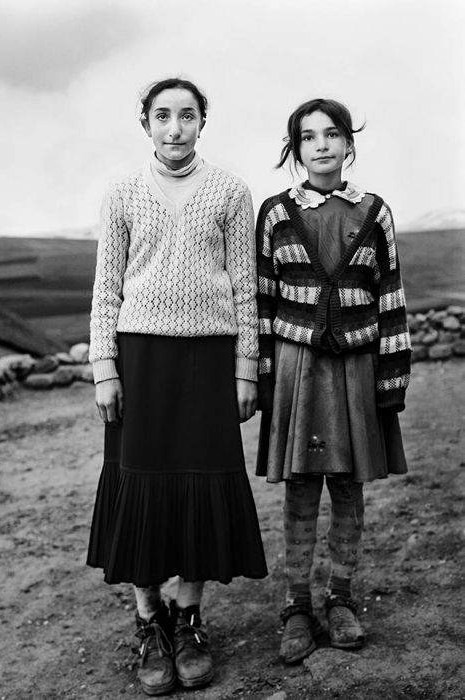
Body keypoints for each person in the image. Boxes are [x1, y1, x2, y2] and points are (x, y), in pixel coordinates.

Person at [87, 77, 267, 696]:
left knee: (200, 482)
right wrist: (105, 369)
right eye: (162, 116)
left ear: (201, 123)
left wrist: (246, 368)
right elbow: (105, 288)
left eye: (186, 116)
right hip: (141, 360)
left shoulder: (231, 191)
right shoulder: (122, 193)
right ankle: (149, 622)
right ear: (145, 124)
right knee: (141, 484)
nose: (174, 128)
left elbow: (246, 287)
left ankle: (188, 620)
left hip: (210, 362)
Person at [255, 98, 411, 664]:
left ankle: (340, 597)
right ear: (295, 149)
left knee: (348, 487)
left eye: (331, 134)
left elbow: (390, 296)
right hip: (297, 372)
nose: (320, 144)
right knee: (300, 489)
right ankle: (297, 605)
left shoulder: (374, 212)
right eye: (307, 136)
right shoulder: (276, 213)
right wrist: (264, 379)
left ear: (348, 143)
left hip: (355, 369)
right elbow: (262, 302)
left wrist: (391, 378)